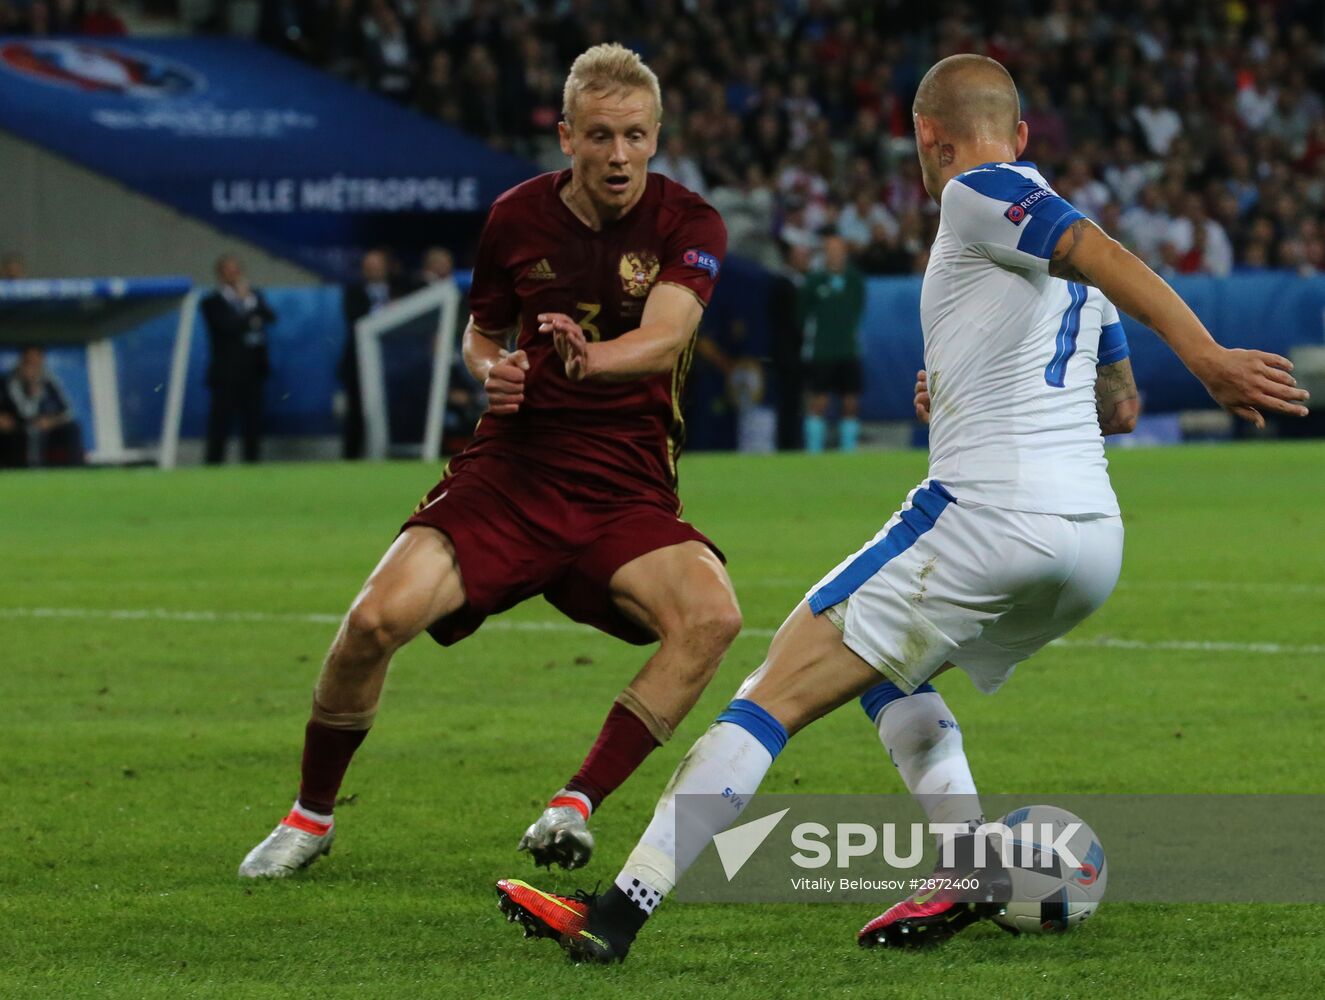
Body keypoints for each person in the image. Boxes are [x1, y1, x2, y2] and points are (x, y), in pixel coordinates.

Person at [494, 52, 1309, 964]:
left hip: (987, 519)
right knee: (888, 673)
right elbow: (1115, 405)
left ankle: (614, 915)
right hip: (1091, 544)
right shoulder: (1054, 233)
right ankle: (965, 862)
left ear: (928, 140)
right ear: (1028, 134)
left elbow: (1097, 256)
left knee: (769, 694)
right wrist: (961, 382)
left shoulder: (973, 190)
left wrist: (1205, 355)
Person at [239, 43, 740, 879]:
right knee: (370, 623)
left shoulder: (690, 223)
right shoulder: (515, 216)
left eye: (635, 136)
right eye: (600, 135)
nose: (619, 155)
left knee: (712, 616)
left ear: (657, 137)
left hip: (624, 484)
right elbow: (482, 334)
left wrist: (590, 360)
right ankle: (309, 817)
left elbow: (664, 341)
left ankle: (573, 805)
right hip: (512, 471)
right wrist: (491, 370)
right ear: (565, 136)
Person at [200, 255, 276, 464]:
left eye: (236, 270)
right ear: (220, 275)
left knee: (253, 425)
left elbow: (271, 317)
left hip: (253, 371)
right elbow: (228, 327)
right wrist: (247, 309)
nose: (233, 275)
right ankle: (213, 467)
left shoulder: (255, 296)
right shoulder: (211, 302)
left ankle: (252, 467)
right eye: (228, 271)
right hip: (225, 374)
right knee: (220, 425)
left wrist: (249, 303)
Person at [338, 248, 408, 460]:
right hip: (359, 362)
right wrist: (385, 312)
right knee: (356, 412)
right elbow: (354, 319)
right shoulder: (353, 291)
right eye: (370, 266)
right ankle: (351, 458)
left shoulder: (400, 289)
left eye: (378, 265)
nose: (374, 269)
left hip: (396, 362)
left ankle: (397, 454)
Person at [800, 234, 867, 453]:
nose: (835, 255)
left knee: (850, 403)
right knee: (819, 401)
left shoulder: (855, 281)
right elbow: (800, 314)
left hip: (848, 350)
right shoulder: (813, 282)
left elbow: (857, 310)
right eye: (830, 250)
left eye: (838, 250)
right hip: (822, 352)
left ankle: (848, 452)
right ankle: (814, 452)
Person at [0, 346, 82, 467]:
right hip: (15, 424)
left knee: (72, 428)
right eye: (29, 362)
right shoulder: (7, 380)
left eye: (36, 362)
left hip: (42, 424)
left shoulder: (49, 380)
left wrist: (51, 421)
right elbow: (26, 410)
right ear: (22, 362)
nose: (32, 367)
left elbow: (68, 411)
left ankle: (73, 468)